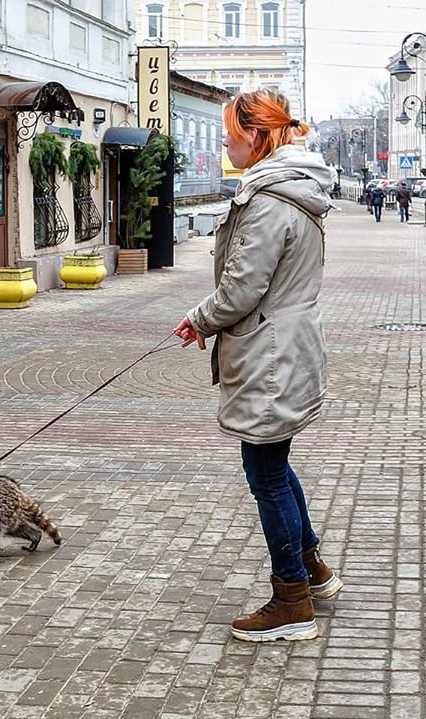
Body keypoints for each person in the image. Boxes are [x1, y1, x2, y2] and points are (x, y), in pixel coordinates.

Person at [173, 89, 343, 643]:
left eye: (230, 131)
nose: (223, 140)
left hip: (271, 355)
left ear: (256, 135)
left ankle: (291, 599)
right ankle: (312, 570)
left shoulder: (269, 200)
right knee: (274, 468)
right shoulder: (286, 190)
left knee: (266, 474)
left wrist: (198, 319)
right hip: (280, 348)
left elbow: (241, 289)